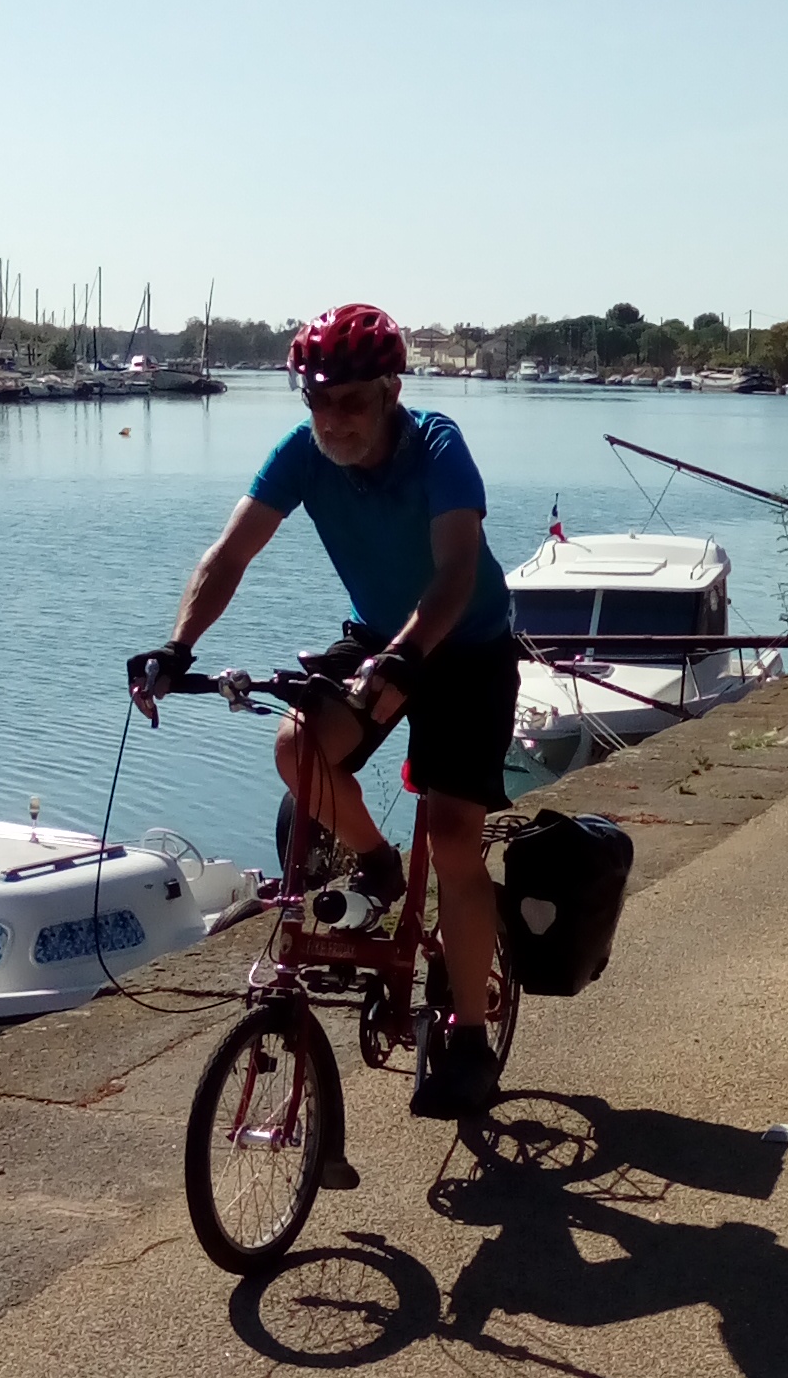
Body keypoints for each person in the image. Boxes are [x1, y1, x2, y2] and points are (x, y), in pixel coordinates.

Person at [128, 303, 520, 1119]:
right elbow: (229, 554)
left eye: (350, 402)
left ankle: (473, 1035)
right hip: (378, 638)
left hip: (468, 650)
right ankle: (375, 860)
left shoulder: (438, 446)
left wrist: (405, 661)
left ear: (389, 392)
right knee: (296, 746)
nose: (332, 420)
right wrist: (178, 649)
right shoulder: (302, 457)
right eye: (317, 401)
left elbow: (453, 575)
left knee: (452, 839)